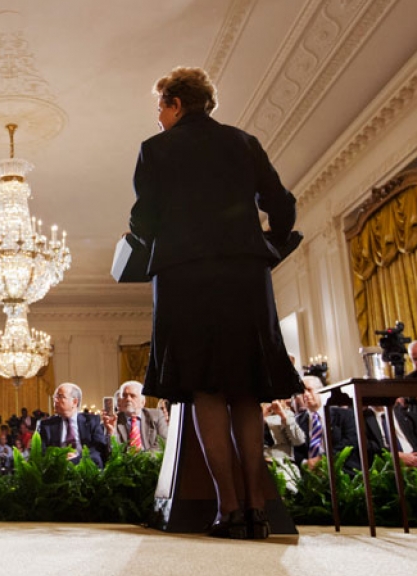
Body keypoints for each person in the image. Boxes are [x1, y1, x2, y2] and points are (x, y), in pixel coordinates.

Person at [128, 67, 302, 539]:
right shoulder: (243, 142)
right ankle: (256, 510)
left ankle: (228, 510)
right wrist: (271, 242)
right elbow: (282, 203)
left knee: (206, 385)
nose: (159, 117)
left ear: (176, 103)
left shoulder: (155, 148)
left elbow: (144, 219)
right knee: (245, 386)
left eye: (161, 107)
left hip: (186, 277)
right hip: (245, 274)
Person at [292, 376, 361, 473]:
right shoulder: (297, 421)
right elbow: (294, 448)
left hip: (342, 470)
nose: (305, 395)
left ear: (321, 391)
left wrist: (322, 459)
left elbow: (350, 442)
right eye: (302, 392)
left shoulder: (344, 415)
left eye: (309, 390)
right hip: (310, 474)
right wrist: (305, 463)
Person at [35, 383, 110, 468]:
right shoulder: (47, 425)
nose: (55, 400)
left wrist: (76, 459)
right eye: (55, 397)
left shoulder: (91, 421)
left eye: (60, 396)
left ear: (74, 402)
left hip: (86, 467)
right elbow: (43, 452)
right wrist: (61, 457)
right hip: (59, 469)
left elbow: (98, 449)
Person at [102, 380, 168, 453]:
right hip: (125, 462)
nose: (128, 399)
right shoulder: (113, 420)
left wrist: (141, 459)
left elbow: (163, 443)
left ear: (142, 402)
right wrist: (112, 432)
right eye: (124, 395)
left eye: (132, 396)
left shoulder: (157, 415)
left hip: (151, 461)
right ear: (120, 401)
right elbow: (112, 452)